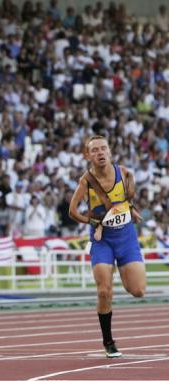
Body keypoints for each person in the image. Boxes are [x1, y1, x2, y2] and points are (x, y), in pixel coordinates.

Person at [68, 135, 145, 358]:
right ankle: (109, 342)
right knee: (104, 291)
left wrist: (130, 209)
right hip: (102, 240)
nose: (100, 153)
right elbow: (72, 212)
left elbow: (125, 196)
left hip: (126, 236)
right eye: (95, 150)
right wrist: (95, 223)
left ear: (110, 151)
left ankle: (124, 273)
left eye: (103, 149)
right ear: (87, 155)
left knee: (138, 290)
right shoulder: (86, 181)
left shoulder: (124, 173)